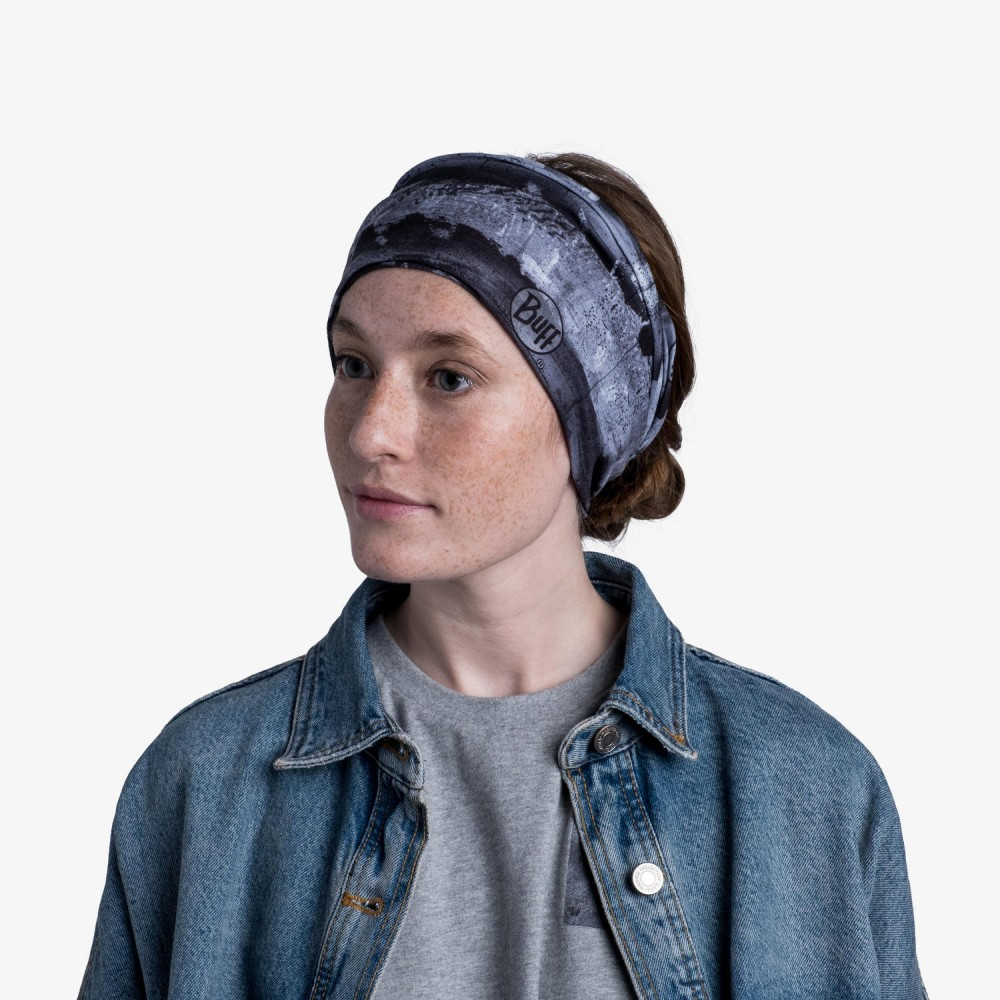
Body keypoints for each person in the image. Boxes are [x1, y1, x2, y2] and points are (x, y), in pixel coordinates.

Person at [78, 152, 928, 999]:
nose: (372, 432)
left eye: (449, 378)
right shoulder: (204, 783)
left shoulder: (802, 787)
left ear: (590, 419)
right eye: (352, 365)